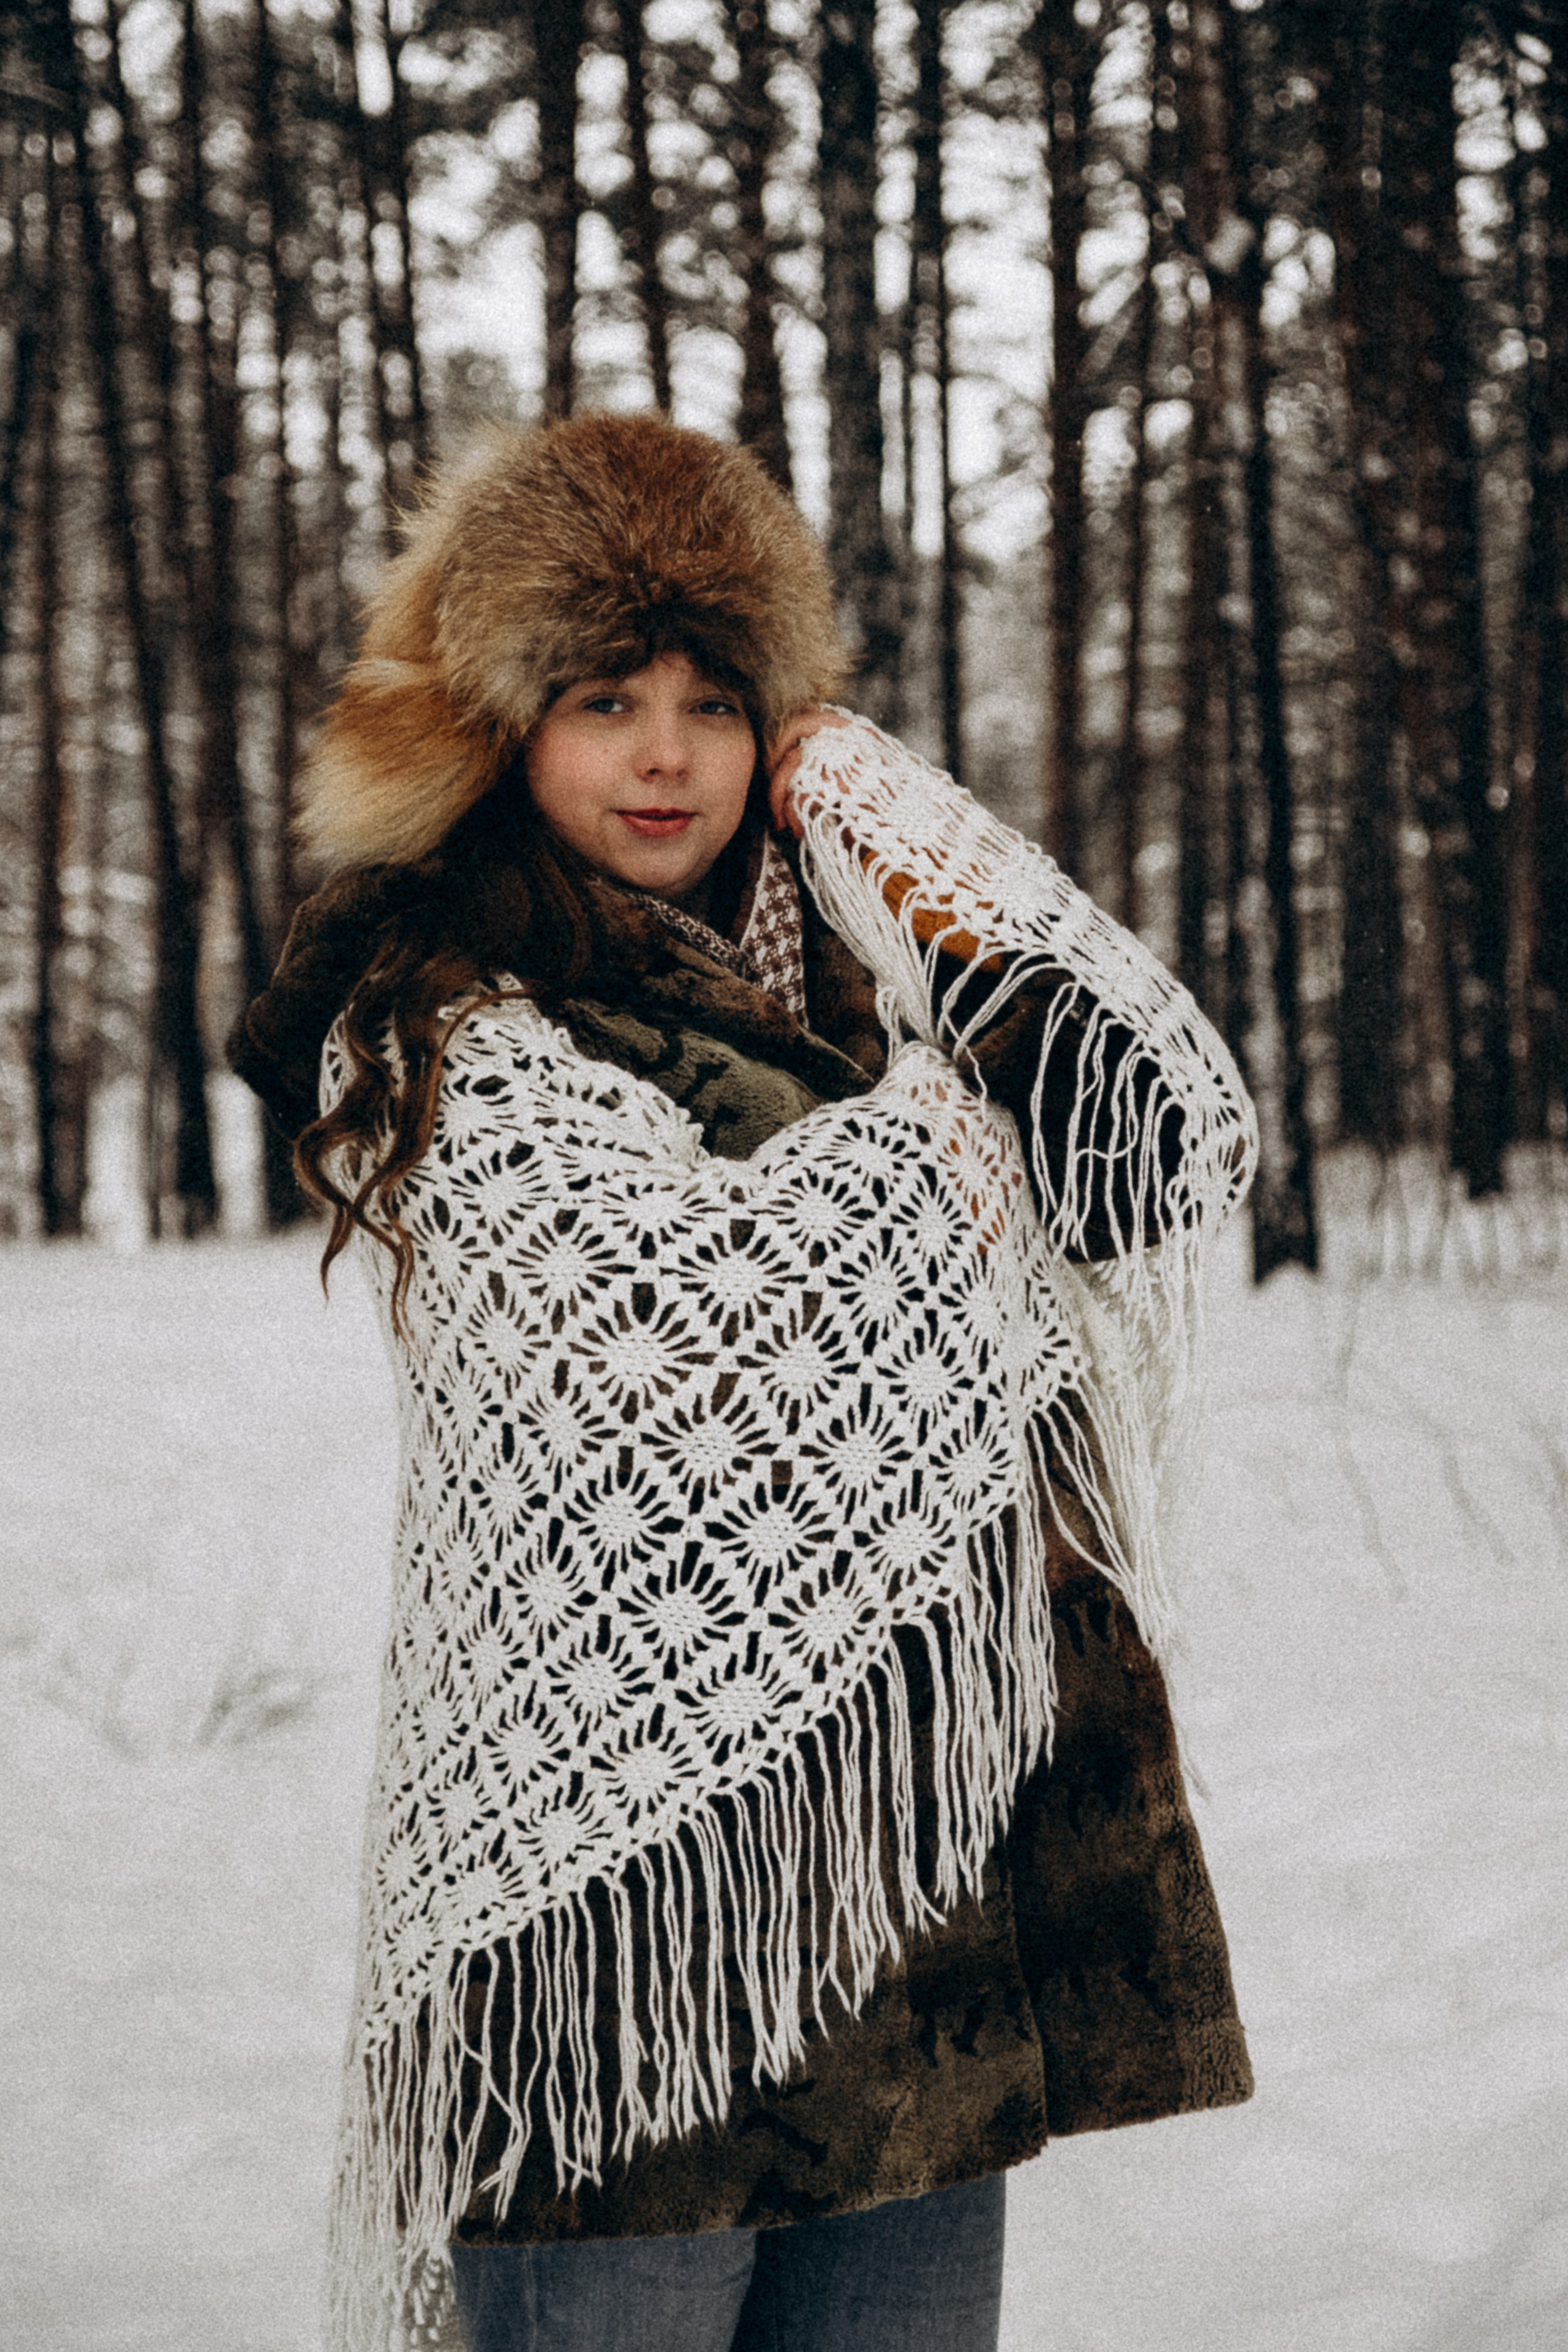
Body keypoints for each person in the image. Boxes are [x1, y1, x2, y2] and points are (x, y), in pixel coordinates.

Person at [230, 412, 1257, 2352]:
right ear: (501, 729)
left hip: (913, 1899)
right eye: (605, 696)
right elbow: (681, 1329)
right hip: (618, 1930)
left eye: (720, 697)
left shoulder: (868, 976)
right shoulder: (428, 1000)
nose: (666, 752)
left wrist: (888, 813)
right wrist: (938, 1172)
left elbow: (1154, 1138)